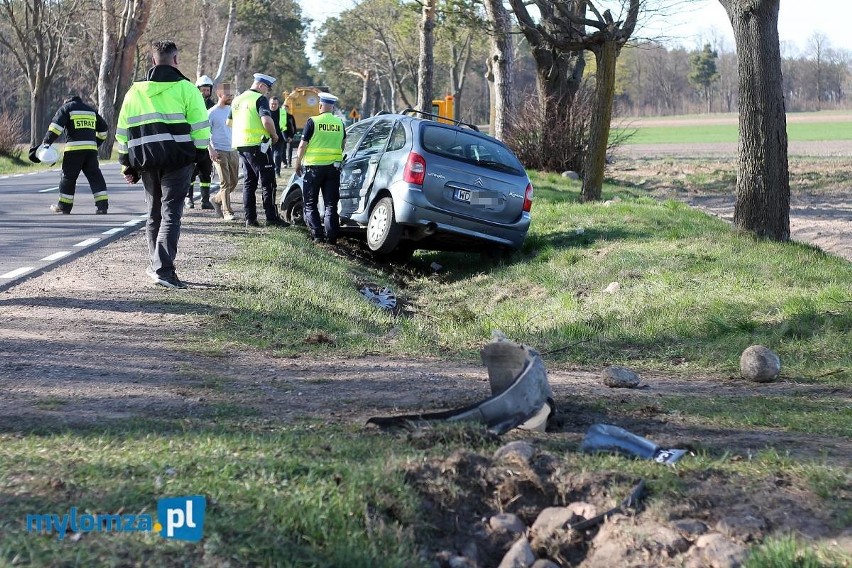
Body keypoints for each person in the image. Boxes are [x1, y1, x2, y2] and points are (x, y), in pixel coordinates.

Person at [116, 40, 211, 289]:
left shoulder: (134, 92)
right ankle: (164, 270)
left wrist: (126, 164)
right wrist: (201, 158)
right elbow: (201, 129)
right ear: (176, 60)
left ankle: (157, 265)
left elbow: (122, 132)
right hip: (179, 162)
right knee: (171, 215)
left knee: (153, 214)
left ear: (152, 60)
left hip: (147, 162)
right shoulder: (187, 90)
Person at [229, 73, 287, 228]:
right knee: (268, 183)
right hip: (258, 146)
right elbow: (266, 120)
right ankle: (271, 217)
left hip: (242, 146)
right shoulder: (259, 99)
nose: (266, 92)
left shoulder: (237, 99)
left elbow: (229, 122)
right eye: (267, 89)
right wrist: (274, 135)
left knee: (249, 183)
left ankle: (250, 218)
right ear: (261, 85)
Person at [37, 95, 109, 214]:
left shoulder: (66, 108)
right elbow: (104, 130)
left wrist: (47, 142)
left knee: (68, 178)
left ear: (67, 101)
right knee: (96, 177)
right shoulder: (90, 110)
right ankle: (102, 207)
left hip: (74, 151)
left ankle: (64, 206)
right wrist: (95, 143)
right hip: (90, 151)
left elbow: (56, 128)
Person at [293, 93, 345, 244]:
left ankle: (318, 236)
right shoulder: (339, 123)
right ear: (333, 107)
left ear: (320, 106)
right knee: (331, 205)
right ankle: (332, 238)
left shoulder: (313, 121)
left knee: (310, 204)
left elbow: (302, 145)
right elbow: (342, 144)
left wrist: (297, 164)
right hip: (333, 170)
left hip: (314, 169)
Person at [208, 82, 239, 222]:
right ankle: (228, 212)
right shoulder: (211, 113)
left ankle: (215, 199)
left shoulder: (232, 110)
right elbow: (204, 134)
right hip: (219, 151)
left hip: (233, 150)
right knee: (225, 184)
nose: (230, 97)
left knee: (234, 182)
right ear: (219, 94)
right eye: (228, 94)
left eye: (232, 94)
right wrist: (211, 150)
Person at [187, 74, 216, 209]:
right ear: (197, 89)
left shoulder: (213, 106)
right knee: (191, 174)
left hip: (207, 146)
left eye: (207, 89)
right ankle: (189, 199)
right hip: (192, 145)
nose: (205, 92)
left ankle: (205, 200)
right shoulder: (190, 104)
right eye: (203, 89)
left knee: (206, 174)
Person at [269, 96, 289, 177]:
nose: (273, 105)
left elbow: (287, 124)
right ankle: (270, 172)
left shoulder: (282, 112)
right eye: (272, 104)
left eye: (275, 104)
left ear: (278, 104)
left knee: (278, 155)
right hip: (269, 137)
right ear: (269, 104)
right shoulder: (265, 112)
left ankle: (277, 172)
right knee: (269, 156)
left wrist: (288, 135)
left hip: (279, 137)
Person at [283, 103, 297, 168]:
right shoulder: (280, 116)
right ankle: (284, 163)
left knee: (289, 150)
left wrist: (291, 136)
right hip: (282, 136)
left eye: (286, 109)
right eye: (283, 109)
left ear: (288, 109)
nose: (284, 110)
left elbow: (293, 127)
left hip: (289, 136)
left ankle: (289, 163)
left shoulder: (291, 116)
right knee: (282, 150)